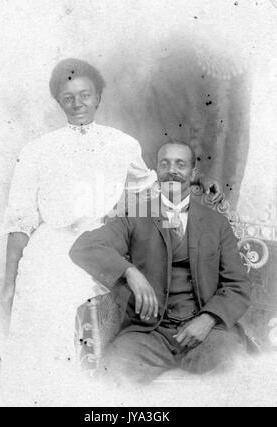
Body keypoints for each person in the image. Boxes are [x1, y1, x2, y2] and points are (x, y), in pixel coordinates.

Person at [0, 58, 222, 402]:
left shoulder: (122, 144)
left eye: (85, 95)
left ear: (98, 96)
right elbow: (20, 221)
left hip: (103, 243)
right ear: (58, 101)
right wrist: (9, 281)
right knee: (47, 296)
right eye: (68, 97)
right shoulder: (36, 151)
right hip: (49, 249)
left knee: (90, 298)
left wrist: (199, 183)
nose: (77, 104)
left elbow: (152, 194)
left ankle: (88, 395)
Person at [69, 140, 251, 386]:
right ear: (156, 171)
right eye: (164, 163)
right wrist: (130, 272)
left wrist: (207, 319)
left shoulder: (216, 223)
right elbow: (84, 247)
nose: (172, 170)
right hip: (149, 333)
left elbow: (237, 284)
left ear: (193, 173)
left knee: (233, 372)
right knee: (112, 373)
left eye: (180, 164)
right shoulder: (136, 216)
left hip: (206, 332)